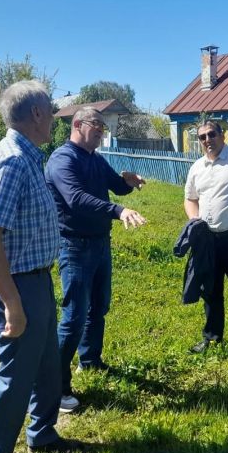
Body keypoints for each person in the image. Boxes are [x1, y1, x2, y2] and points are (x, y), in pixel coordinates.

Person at [0, 80, 78, 453]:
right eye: (50, 110)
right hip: (15, 284)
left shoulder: (29, 156)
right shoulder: (12, 161)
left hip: (36, 278)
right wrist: (12, 304)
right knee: (16, 377)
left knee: (47, 364)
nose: (53, 117)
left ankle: (43, 434)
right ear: (35, 114)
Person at [45, 107, 146, 413]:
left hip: (100, 244)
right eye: (97, 125)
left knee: (98, 307)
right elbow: (75, 198)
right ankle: (56, 387)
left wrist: (128, 181)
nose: (102, 130)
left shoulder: (94, 159)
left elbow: (115, 186)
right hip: (74, 246)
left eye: (104, 126)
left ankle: (89, 360)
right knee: (74, 316)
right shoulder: (63, 159)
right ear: (77, 125)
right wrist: (118, 211)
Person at [184, 119, 228, 372]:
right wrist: (195, 220)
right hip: (208, 241)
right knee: (210, 292)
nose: (206, 140)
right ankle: (212, 338)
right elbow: (190, 199)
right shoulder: (198, 167)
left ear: (222, 135)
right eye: (201, 137)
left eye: (211, 134)